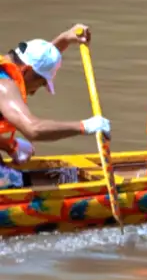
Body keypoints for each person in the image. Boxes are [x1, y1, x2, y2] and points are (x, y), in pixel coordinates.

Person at [0, 24, 112, 189]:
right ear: (28, 71)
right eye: (40, 84)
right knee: (15, 182)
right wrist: (85, 126)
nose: (33, 93)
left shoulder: (13, 67)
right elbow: (33, 129)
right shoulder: (5, 86)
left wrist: (65, 39)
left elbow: (40, 59)